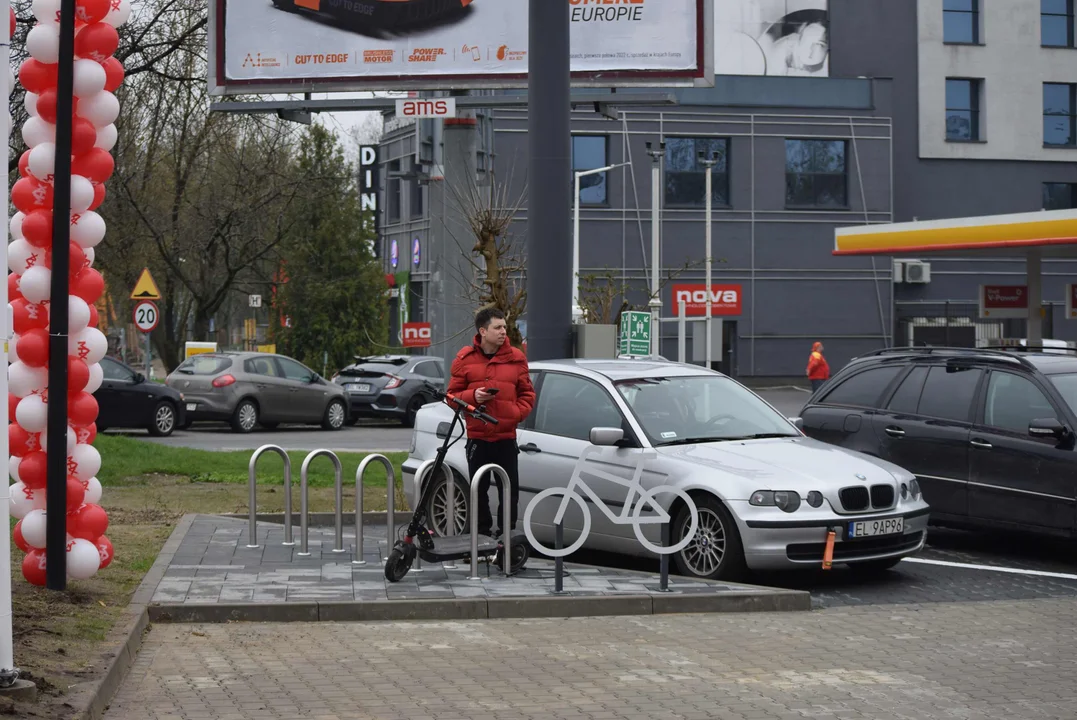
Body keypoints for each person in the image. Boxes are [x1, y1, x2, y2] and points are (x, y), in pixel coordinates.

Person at [447, 307, 535, 538]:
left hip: (506, 438)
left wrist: (515, 414)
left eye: (504, 327)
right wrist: (472, 397)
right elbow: (451, 397)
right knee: (478, 491)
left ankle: (506, 541)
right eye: (498, 327)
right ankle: (481, 538)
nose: (503, 331)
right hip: (478, 438)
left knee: (509, 492)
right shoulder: (464, 359)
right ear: (483, 331)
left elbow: (528, 394)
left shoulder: (516, 358)